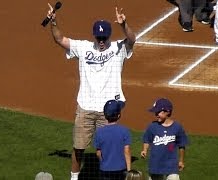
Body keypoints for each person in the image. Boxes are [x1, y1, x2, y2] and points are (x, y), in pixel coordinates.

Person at [44, 3, 136, 180]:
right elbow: (60, 39)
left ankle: (110, 176)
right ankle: (74, 178)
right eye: (99, 37)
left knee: (110, 148)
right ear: (94, 35)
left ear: (109, 35)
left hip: (108, 109)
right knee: (78, 147)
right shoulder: (83, 47)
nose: (101, 40)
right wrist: (53, 22)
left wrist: (124, 25)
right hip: (85, 106)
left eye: (104, 37)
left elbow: (132, 39)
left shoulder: (119, 47)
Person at [141, 98, 189, 180]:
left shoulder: (177, 127)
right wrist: (144, 150)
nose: (156, 114)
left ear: (167, 112)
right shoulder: (152, 126)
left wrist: (181, 161)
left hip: (171, 165)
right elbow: (147, 140)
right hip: (155, 165)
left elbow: (182, 145)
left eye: (158, 112)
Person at [94, 100, 131, 180]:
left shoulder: (99, 132)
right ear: (119, 115)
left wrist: (103, 163)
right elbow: (127, 152)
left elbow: (98, 153)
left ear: (104, 114)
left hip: (105, 169)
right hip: (121, 169)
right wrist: (129, 170)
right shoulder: (125, 130)